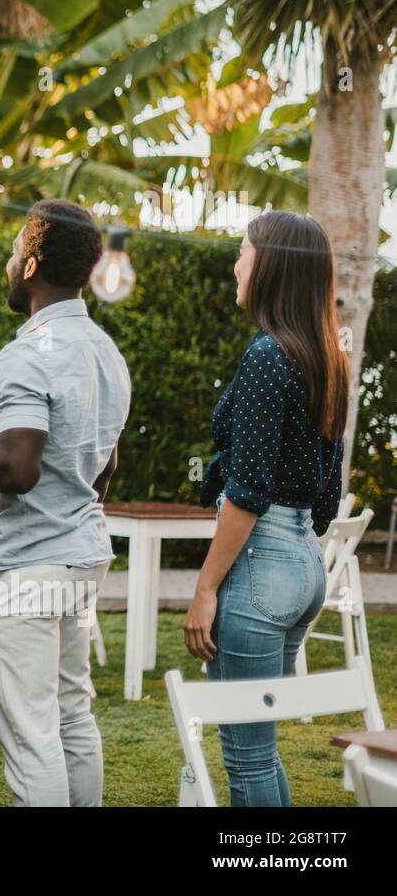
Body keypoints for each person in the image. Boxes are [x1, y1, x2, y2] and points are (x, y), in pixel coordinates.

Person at [0, 199, 130, 807]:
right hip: (82, 557)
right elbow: (106, 467)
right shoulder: (107, 352)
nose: (8, 260)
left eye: (15, 248)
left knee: (32, 738)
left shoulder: (26, 353)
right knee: (73, 714)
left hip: (26, 566)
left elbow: (18, 470)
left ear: (30, 265)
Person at [187, 211, 346, 807]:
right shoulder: (327, 359)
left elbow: (247, 492)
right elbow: (326, 496)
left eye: (243, 251)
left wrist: (206, 589)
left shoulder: (266, 357)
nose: (235, 263)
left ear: (272, 264)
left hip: (260, 563)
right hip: (304, 564)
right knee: (260, 749)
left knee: (246, 758)